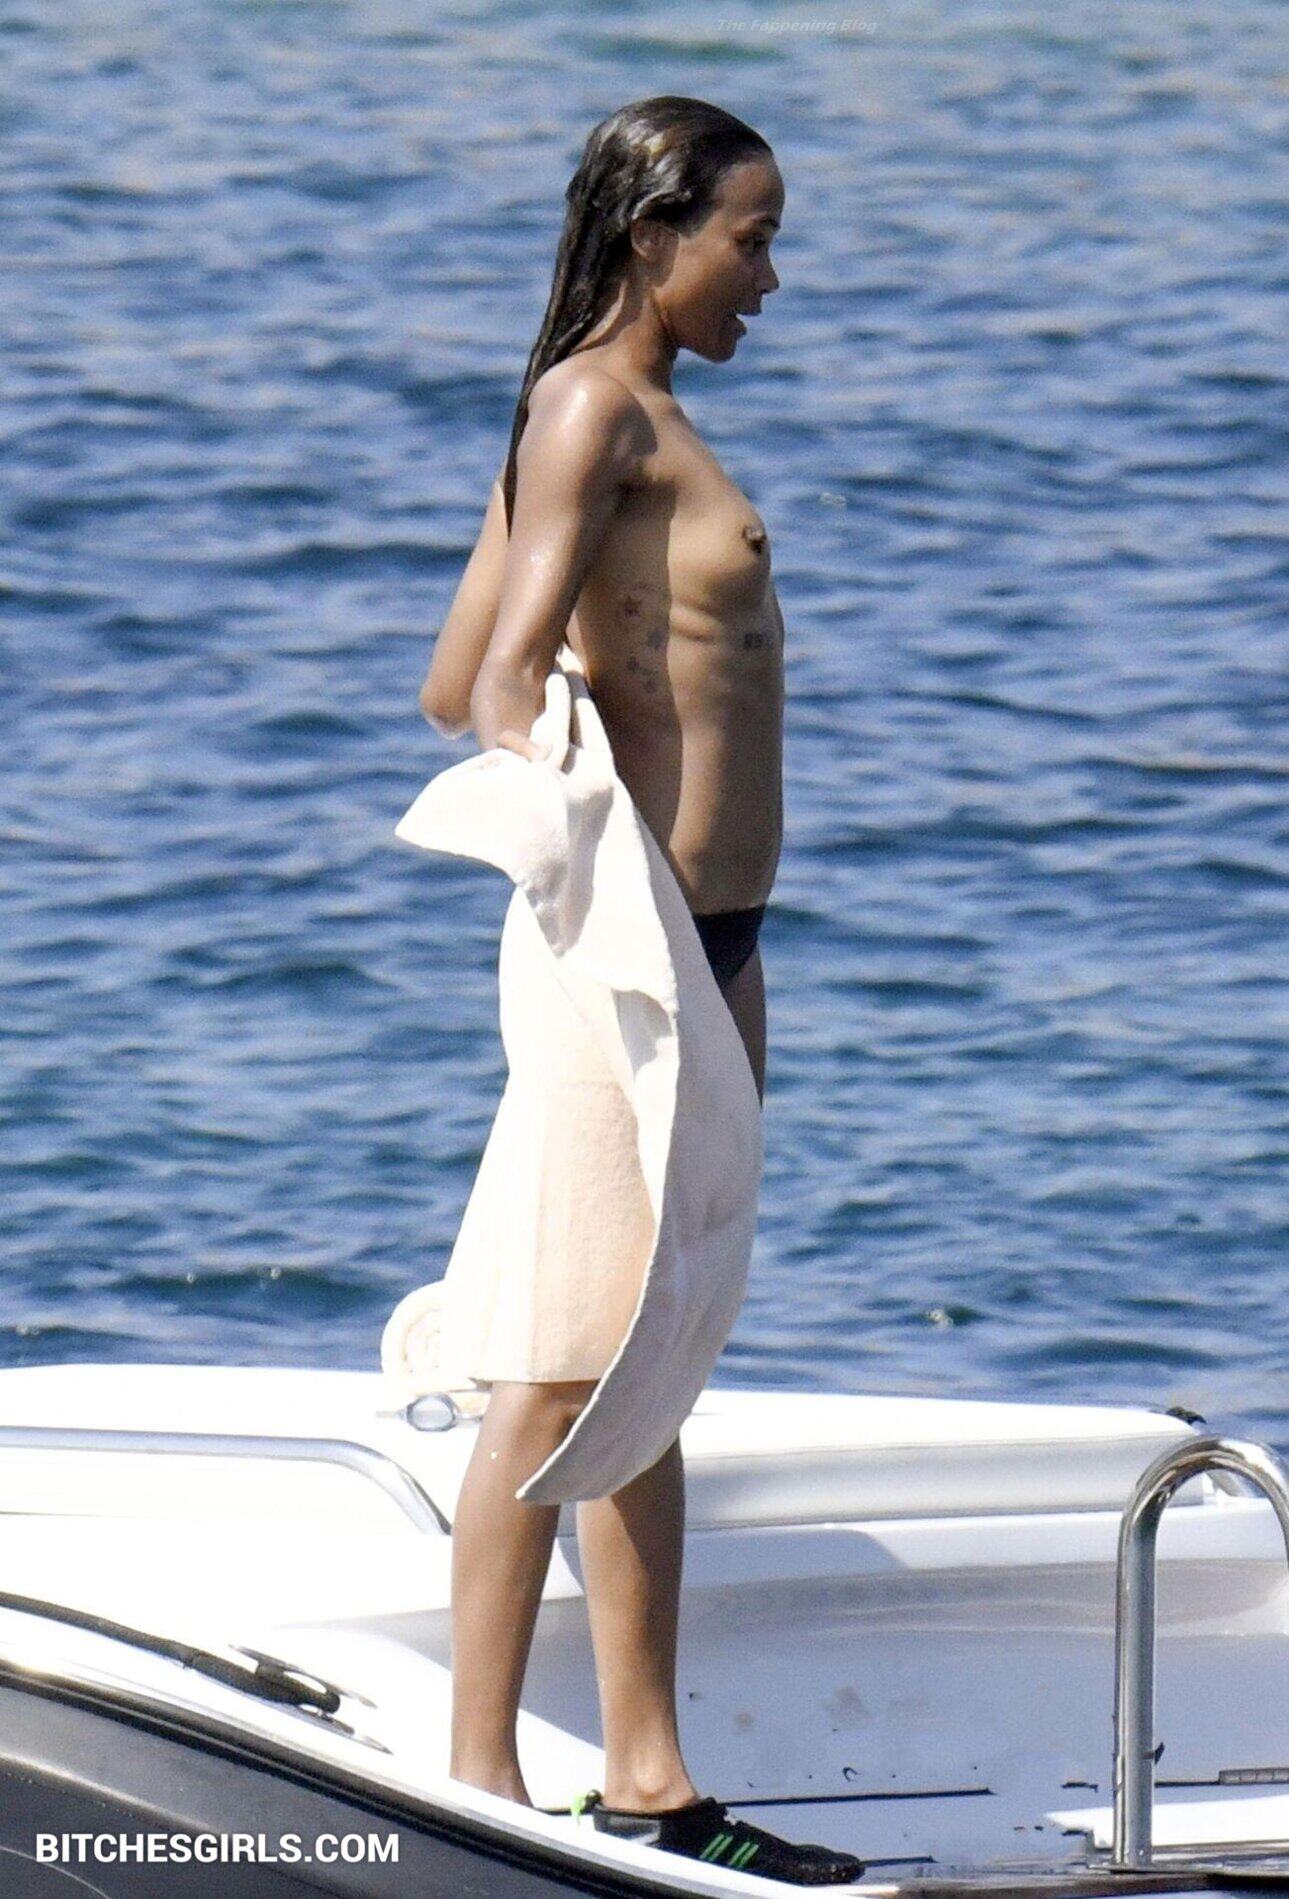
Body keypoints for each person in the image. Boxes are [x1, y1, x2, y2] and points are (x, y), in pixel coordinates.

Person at [417, 97, 864, 1887]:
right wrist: (594, 874)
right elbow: (495, 686)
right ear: (653, 233)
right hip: (634, 957)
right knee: (559, 1365)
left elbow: (446, 672)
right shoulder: (591, 408)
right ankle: (475, 1785)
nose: (768, 276)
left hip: (716, 946)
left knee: (648, 1360)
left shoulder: (620, 419)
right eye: (750, 240)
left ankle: (653, 1781)